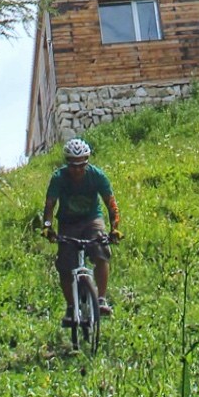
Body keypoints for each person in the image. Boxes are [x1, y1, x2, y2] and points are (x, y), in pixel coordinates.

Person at [42, 138, 120, 325]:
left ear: (87, 161)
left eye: (82, 165)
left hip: (92, 219)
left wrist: (115, 229)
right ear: (67, 162)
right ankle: (71, 307)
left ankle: (100, 299)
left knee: (101, 251)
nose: (77, 169)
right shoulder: (59, 178)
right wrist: (47, 227)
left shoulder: (97, 176)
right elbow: (50, 205)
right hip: (68, 223)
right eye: (73, 165)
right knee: (64, 266)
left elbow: (111, 204)